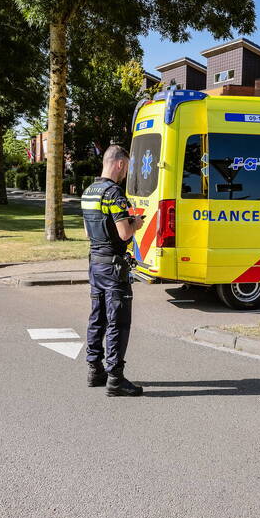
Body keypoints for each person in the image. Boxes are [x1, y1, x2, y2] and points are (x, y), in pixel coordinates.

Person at [83, 145, 144, 397]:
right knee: (118, 319)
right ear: (119, 164)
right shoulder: (114, 194)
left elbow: (88, 232)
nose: (125, 172)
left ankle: (94, 370)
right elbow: (124, 233)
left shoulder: (89, 191)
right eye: (126, 167)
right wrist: (136, 223)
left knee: (97, 316)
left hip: (95, 262)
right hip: (113, 265)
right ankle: (115, 378)